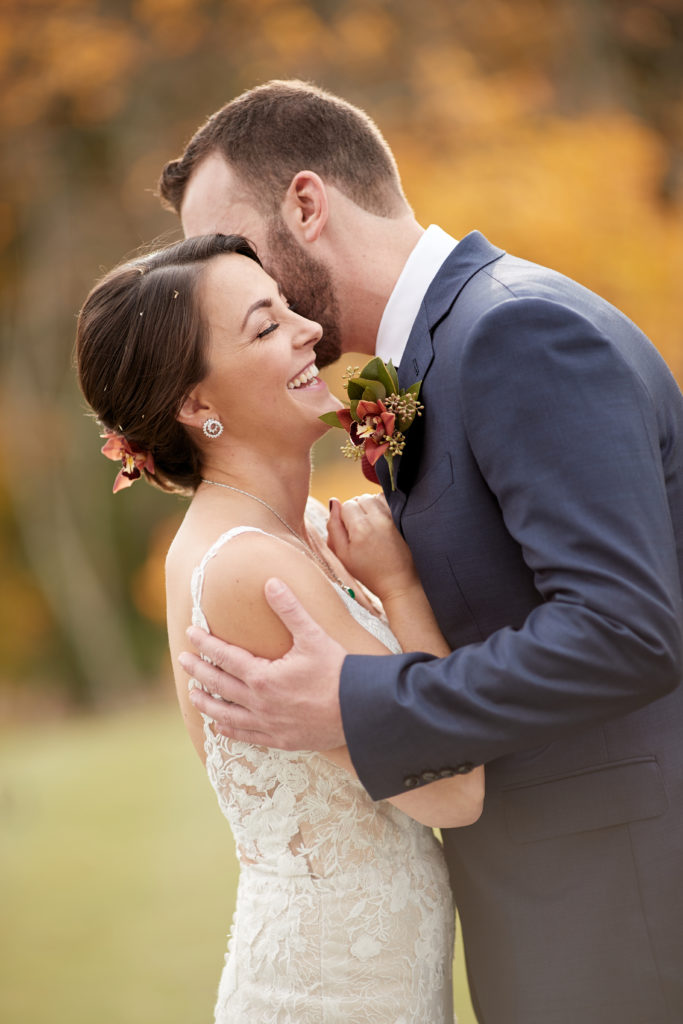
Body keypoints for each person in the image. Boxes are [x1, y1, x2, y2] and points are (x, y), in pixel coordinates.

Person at [159, 80, 683, 1024]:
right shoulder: (428, 363)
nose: (237, 282)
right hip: (551, 906)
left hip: (625, 910)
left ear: (307, 205)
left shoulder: (516, 331)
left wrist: (359, 700)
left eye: (237, 248)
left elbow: (625, 629)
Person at [75, 231, 484, 1023]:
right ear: (196, 405)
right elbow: (452, 786)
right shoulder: (247, 566)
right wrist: (397, 587)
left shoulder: (292, 524)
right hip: (332, 991)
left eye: (288, 308)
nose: (309, 331)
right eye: (265, 327)